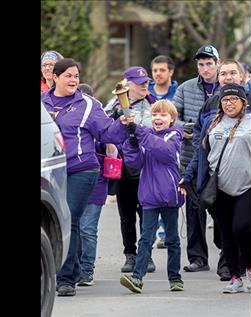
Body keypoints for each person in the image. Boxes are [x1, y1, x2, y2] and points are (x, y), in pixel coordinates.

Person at [41, 58, 133, 296]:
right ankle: (66, 268)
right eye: (68, 76)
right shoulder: (43, 102)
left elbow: (107, 133)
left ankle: (66, 279)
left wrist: (123, 123)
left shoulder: (88, 104)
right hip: (50, 170)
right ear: (55, 78)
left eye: (76, 76)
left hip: (81, 169)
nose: (73, 80)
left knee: (68, 218)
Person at [185, 83, 251, 293]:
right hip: (219, 188)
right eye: (225, 100)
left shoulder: (250, 123)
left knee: (241, 228)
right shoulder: (212, 123)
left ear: (243, 101)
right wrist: (187, 176)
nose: (229, 103)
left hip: (247, 187)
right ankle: (235, 277)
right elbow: (200, 153)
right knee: (226, 235)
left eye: (234, 99)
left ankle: (249, 269)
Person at [119, 100, 185, 293]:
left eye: (163, 115)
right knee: (146, 239)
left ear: (172, 119)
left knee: (172, 239)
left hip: (169, 196)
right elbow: (136, 162)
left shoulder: (174, 135)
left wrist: (139, 132)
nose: (158, 118)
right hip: (149, 196)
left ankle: (175, 278)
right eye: (154, 114)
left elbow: (164, 152)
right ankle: (137, 278)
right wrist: (131, 144)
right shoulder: (147, 138)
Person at [172, 44, 221, 273]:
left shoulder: (227, 88)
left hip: (222, 160)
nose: (205, 68)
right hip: (192, 158)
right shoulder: (185, 88)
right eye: (201, 64)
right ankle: (198, 258)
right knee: (194, 210)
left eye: (209, 63)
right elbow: (172, 116)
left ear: (217, 64)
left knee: (221, 210)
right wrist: (186, 128)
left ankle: (226, 253)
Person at [104, 66, 157, 273]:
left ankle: (147, 254)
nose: (144, 85)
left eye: (146, 81)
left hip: (147, 167)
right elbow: (105, 132)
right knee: (126, 215)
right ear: (127, 84)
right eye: (139, 81)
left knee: (147, 214)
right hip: (125, 168)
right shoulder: (113, 105)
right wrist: (117, 118)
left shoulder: (154, 104)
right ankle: (130, 255)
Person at [76, 83, 118, 286]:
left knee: (87, 229)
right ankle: (73, 268)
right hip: (73, 182)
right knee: (75, 227)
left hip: (96, 183)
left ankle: (87, 270)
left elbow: (113, 154)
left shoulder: (98, 123)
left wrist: (108, 136)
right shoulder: (71, 124)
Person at [148, 55, 179, 249]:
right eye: (155, 70)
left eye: (162, 70)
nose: (158, 74)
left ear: (170, 72)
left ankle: (167, 233)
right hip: (150, 150)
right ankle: (154, 234)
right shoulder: (146, 91)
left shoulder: (178, 92)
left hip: (171, 150)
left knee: (168, 192)